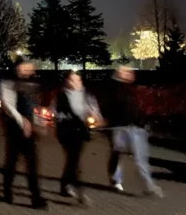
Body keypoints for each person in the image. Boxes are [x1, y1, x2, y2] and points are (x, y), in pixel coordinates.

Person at [107, 67, 164, 197]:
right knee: (118, 154)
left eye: (129, 72)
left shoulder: (133, 90)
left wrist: (142, 122)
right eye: (125, 72)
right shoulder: (115, 89)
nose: (129, 73)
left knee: (139, 157)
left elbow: (136, 108)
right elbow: (114, 108)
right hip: (121, 127)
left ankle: (148, 185)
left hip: (135, 127)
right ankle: (116, 180)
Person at [0, 61, 47, 209]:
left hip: (30, 129)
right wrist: (22, 122)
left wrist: (39, 123)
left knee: (32, 164)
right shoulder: (7, 83)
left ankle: (36, 197)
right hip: (14, 128)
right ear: (18, 68)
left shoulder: (33, 85)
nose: (28, 70)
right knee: (12, 162)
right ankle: (7, 190)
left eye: (30, 68)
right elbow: (8, 106)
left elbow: (35, 107)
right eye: (25, 67)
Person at [54, 71, 101, 204]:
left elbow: (93, 109)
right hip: (66, 131)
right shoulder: (61, 95)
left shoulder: (86, 95)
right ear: (67, 81)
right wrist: (60, 117)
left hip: (80, 131)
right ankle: (79, 190)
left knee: (72, 159)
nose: (75, 83)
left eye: (77, 80)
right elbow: (55, 111)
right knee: (73, 159)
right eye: (72, 80)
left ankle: (65, 185)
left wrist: (96, 117)